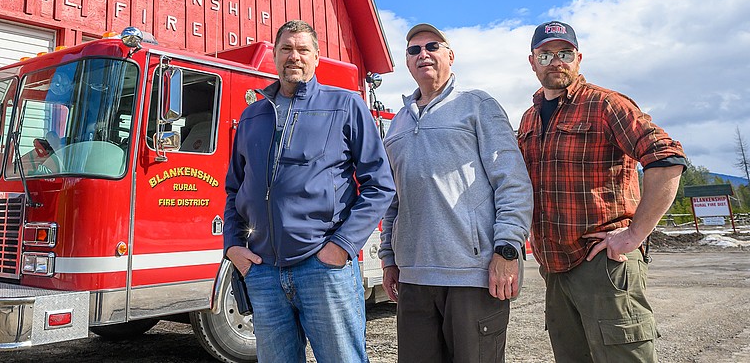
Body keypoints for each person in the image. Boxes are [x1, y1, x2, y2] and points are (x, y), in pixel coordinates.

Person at [223, 19, 396, 363]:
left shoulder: (345, 106)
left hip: (323, 270)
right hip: (264, 273)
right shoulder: (252, 116)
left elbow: (380, 184)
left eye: (303, 49)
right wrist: (233, 247)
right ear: (274, 55)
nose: (294, 56)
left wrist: (341, 247)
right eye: (286, 48)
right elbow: (234, 190)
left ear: (316, 58)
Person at [518, 21, 687, 362]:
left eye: (564, 53)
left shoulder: (606, 105)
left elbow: (667, 157)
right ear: (532, 61)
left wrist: (636, 233)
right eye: (546, 54)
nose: (556, 61)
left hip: (605, 264)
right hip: (554, 269)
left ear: (578, 58)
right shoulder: (528, 120)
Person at [378, 23, 533, 363]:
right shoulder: (399, 122)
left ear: (450, 56)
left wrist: (507, 250)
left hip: (471, 275)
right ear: (407, 62)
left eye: (432, 46)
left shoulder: (477, 105)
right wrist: (389, 258)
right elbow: (393, 200)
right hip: (414, 277)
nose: (423, 55)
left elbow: (513, 181)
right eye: (414, 50)